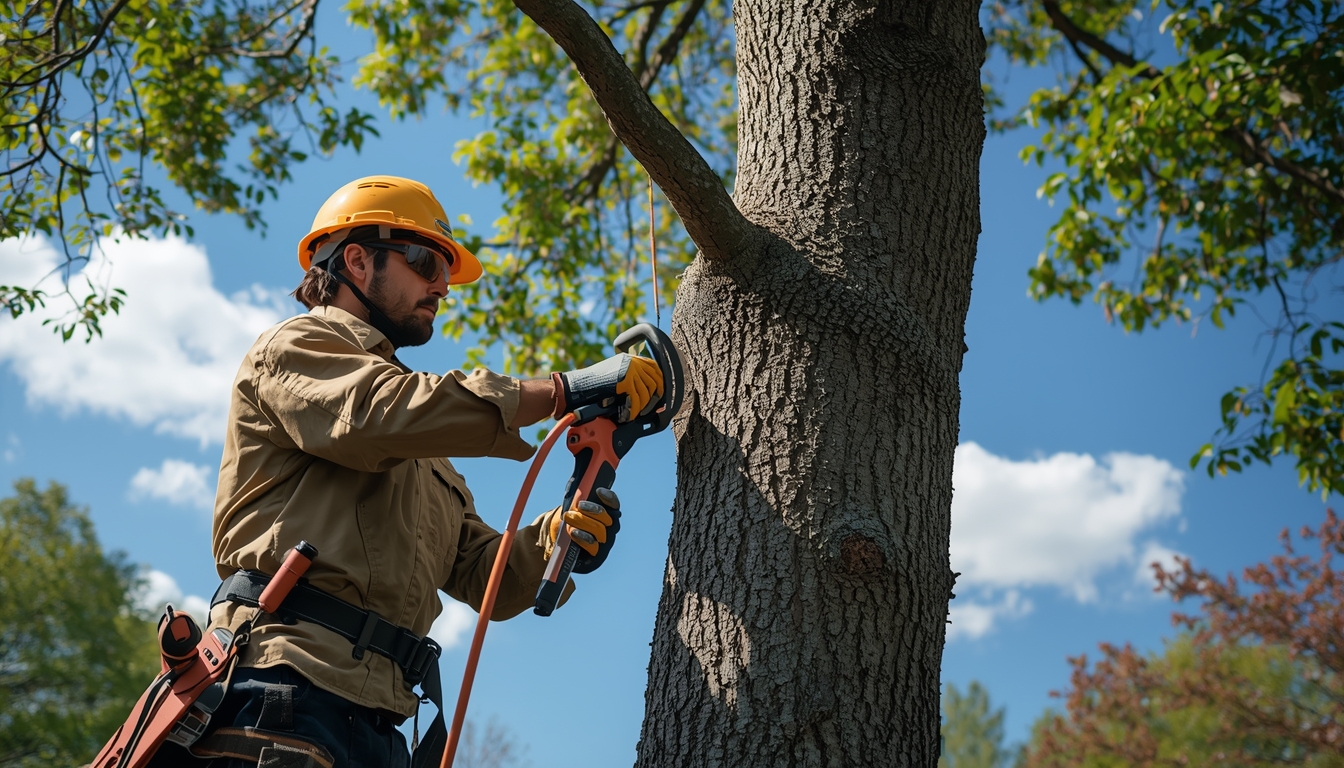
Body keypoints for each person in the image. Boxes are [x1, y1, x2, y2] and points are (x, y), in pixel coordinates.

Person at [151, 176, 663, 768]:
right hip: (281, 690)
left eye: (443, 271)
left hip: (379, 724)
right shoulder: (297, 349)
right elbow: (374, 413)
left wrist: (557, 539)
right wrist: (558, 391)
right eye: (425, 262)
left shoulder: (423, 447)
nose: (442, 286)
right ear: (357, 261)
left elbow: (479, 571)